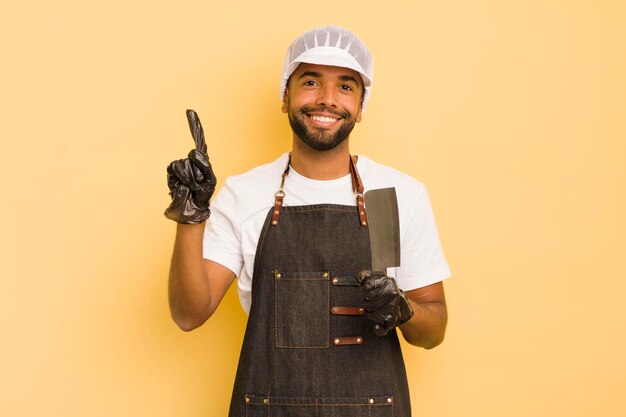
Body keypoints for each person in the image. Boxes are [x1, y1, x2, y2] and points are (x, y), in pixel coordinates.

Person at [165, 25, 451, 417]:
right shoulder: (245, 193)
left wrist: (404, 309)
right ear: (286, 96)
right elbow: (188, 314)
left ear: (362, 106)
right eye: (311, 81)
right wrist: (190, 217)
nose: (327, 100)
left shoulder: (390, 197)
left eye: (346, 86)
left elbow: (434, 331)